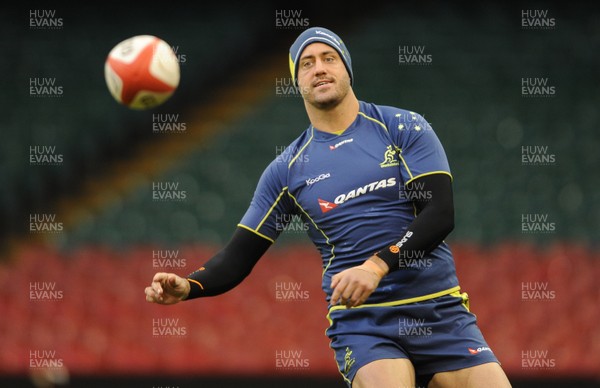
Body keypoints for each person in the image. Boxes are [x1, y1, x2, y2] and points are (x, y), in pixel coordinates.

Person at [145, 27, 512, 388]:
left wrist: (376, 266)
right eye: (306, 63)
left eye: (328, 58)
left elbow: (440, 213)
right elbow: (238, 256)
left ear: (346, 69)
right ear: (297, 82)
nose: (318, 68)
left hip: (440, 312)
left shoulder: (401, 126)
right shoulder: (286, 169)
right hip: (365, 322)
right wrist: (190, 285)